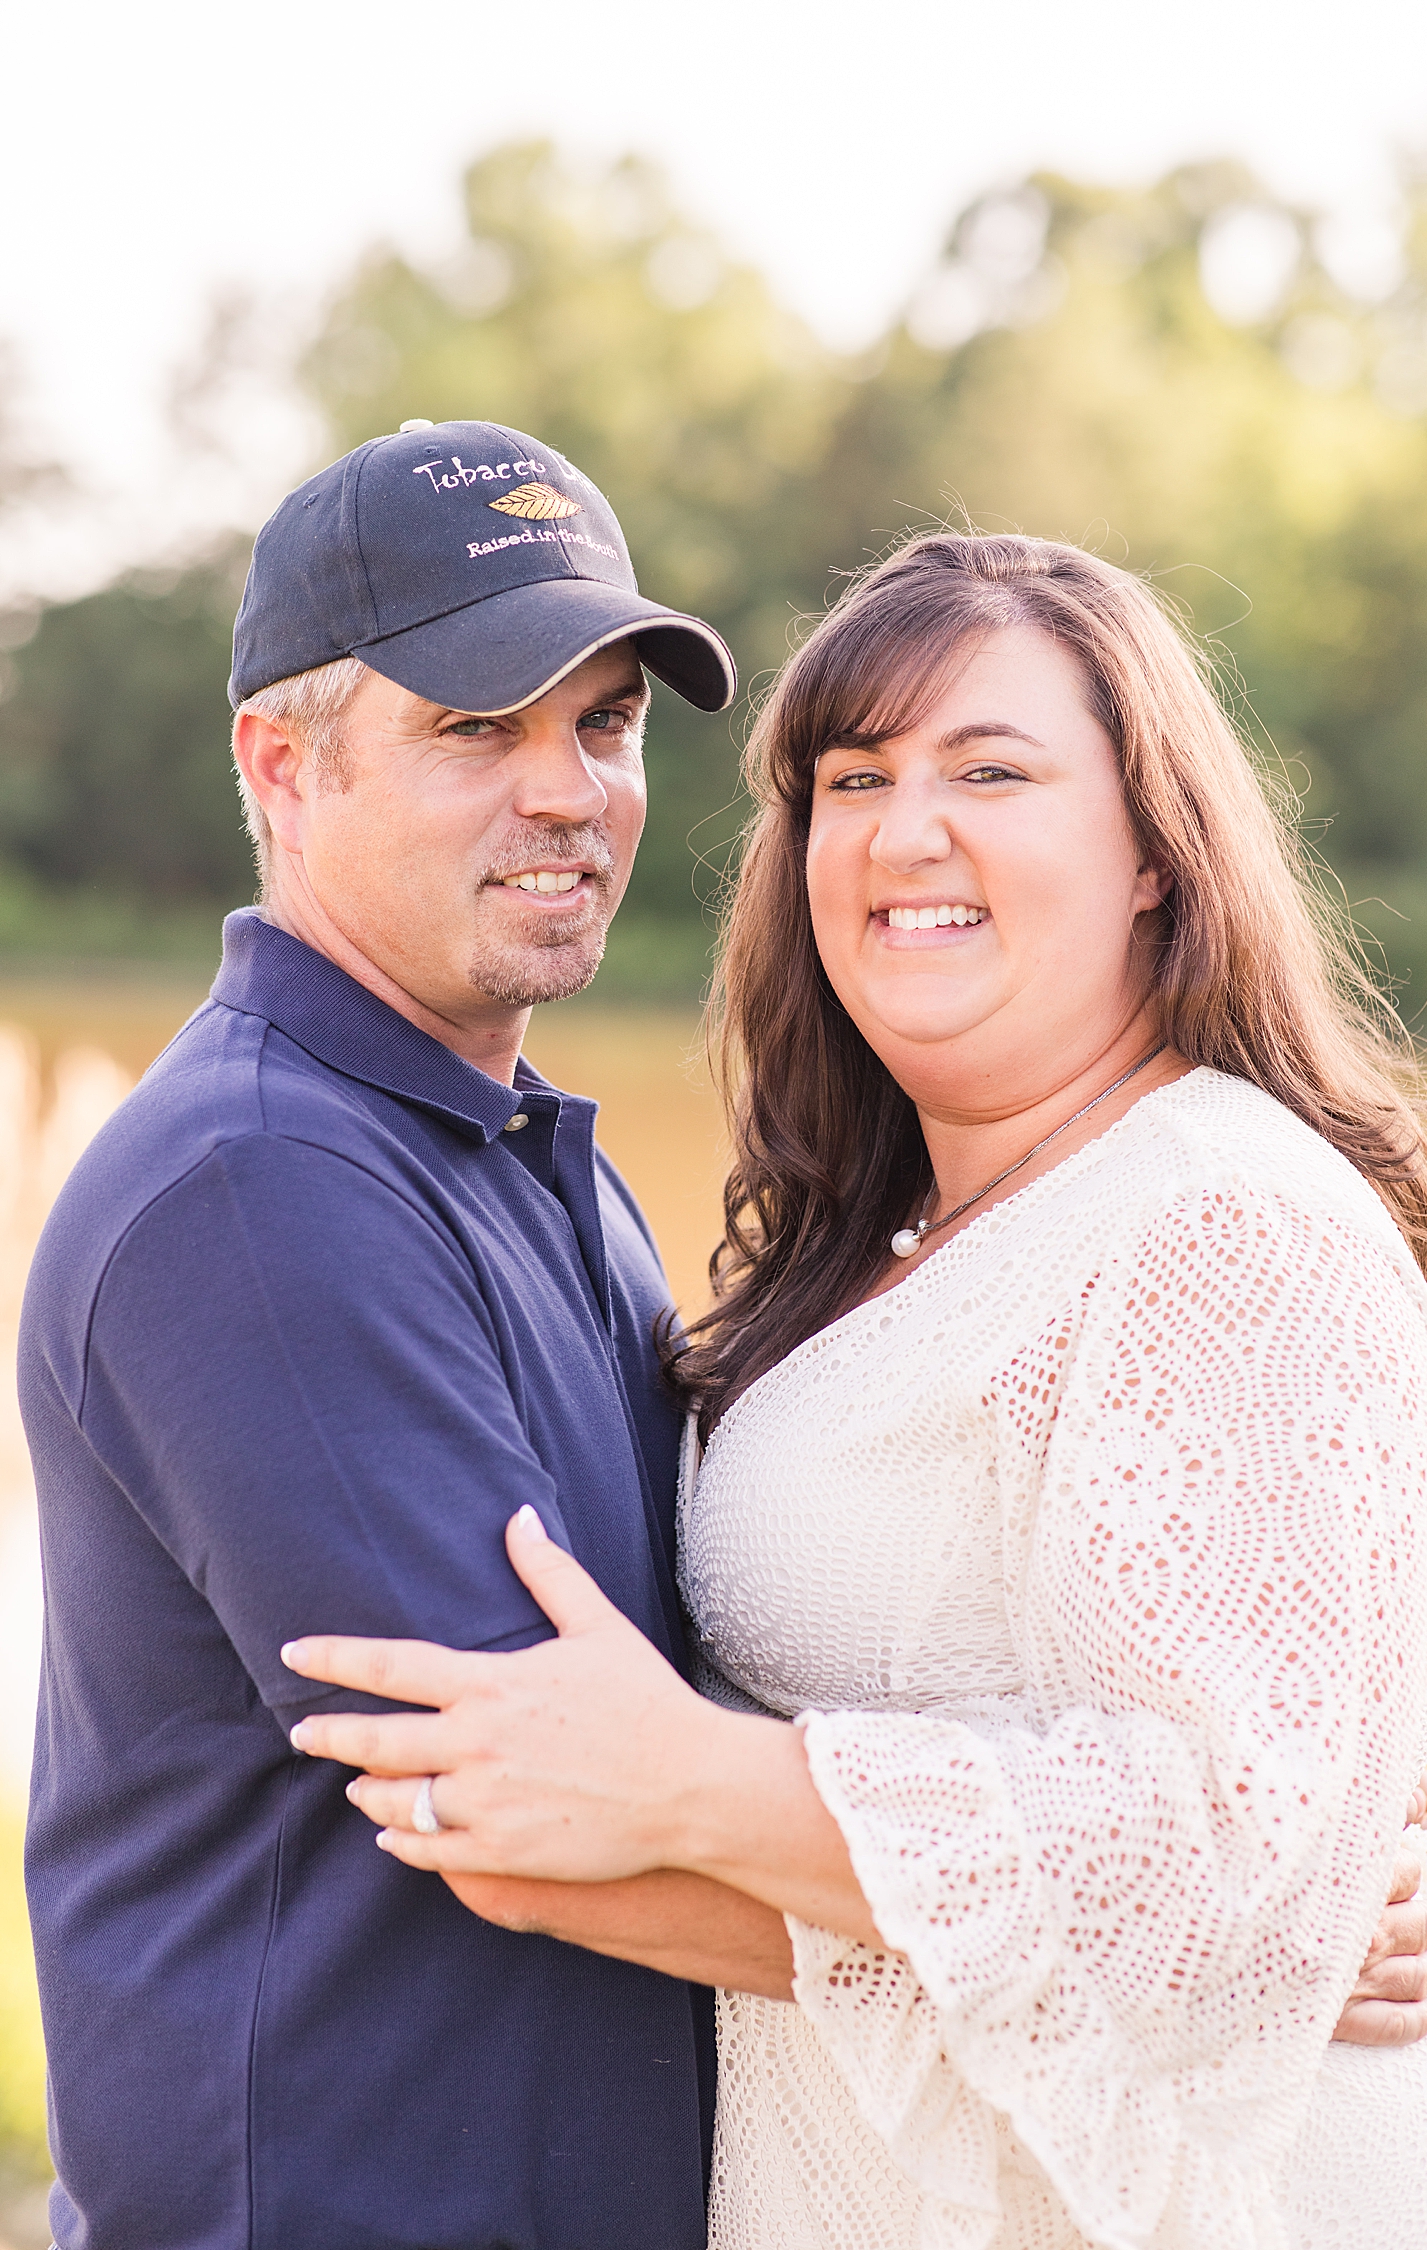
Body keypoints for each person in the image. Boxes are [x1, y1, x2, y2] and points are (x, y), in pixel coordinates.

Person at [286, 532, 1427, 2249]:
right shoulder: (884, 1244)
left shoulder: (1222, 1215)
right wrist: (1270, 1896)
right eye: (852, 777)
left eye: (990, 768)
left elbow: (1230, 1847)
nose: (902, 829)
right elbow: (1239, 1845)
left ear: (1155, 848)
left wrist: (688, 1793)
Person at [20, 417, 802, 2250]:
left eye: (602, 723)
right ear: (279, 765)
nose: (571, 789)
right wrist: (1170, 1952)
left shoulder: (513, 1148)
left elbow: (688, 1709)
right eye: (475, 727)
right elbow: (545, 1820)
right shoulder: (259, 1187)